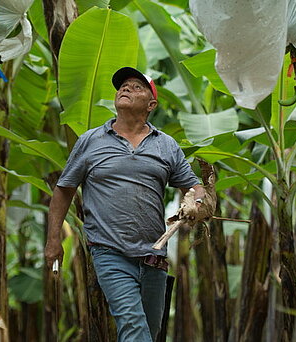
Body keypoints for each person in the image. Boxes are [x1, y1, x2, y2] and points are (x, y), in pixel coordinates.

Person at [45, 67, 205, 342]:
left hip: (154, 256)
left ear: (151, 104)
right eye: (123, 86)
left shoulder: (166, 146)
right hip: (109, 252)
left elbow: (193, 185)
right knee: (133, 326)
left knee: (148, 332)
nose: (126, 89)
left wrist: (199, 201)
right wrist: (53, 240)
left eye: (137, 87)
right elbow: (64, 190)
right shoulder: (91, 141)